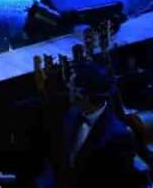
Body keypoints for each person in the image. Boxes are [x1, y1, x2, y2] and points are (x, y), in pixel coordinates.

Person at [39, 60, 146, 188]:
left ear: (81, 94)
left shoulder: (118, 137)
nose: (67, 87)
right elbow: (61, 158)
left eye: (71, 86)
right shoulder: (71, 113)